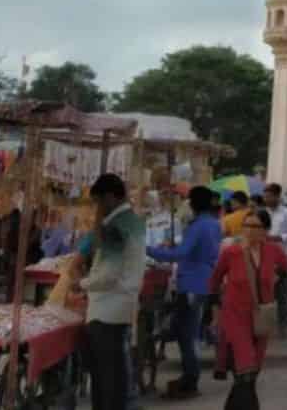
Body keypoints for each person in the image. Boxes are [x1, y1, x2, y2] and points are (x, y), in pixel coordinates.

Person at [209, 208, 287, 410]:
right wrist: (215, 311)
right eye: (246, 226)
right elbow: (214, 280)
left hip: (262, 316)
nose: (249, 230)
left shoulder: (273, 250)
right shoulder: (231, 252)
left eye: (255, 226)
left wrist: (276, 277)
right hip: (235, 315)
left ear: (265, 230)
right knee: (246, 366)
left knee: (252, 371)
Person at [147, 185, 222, 399]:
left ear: (194, 204)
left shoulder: (198, 226)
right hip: (202, 281)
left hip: (191, 283)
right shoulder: (213, 224)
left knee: (186, 335)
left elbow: (181, 253)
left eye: (189, 201)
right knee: (186, 332)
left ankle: (190, 380)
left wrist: (150, 250)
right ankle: (189, 378)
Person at [79, 173, 146, 410]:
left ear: (109, 198)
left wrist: (82, 284)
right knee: (115, 376)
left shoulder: (114, 227)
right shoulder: (134, 220)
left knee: (106, 379)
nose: (97, 209)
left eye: (98, 202)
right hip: (122, 304)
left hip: (107, 309)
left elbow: (109, 274)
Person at [263, 183, 287, 326]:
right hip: (264, 257)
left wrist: (278, 238)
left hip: (281, 259)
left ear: (277, 196)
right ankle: (266, 324)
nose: (266, 199)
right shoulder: (263, 212)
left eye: (269, 196)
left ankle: (282, 325)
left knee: (281, 294)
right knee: (265, 292)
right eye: (265, 196)